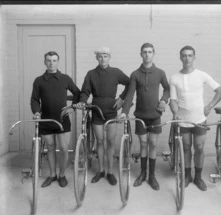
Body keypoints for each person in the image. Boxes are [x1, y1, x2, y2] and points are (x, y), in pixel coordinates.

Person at [169, 45, 221, 191]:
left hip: (199, 119)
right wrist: (175, 112)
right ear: (180, 57)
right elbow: (173, 100)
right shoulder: (174, 77)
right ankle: (187, 175)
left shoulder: (202, 75)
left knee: (199, 147)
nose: (187, 58)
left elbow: (220, 90)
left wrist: (209, 106)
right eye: (184, 55)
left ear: (194, 57)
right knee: (186, 148)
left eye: (190, 55)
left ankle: (198, 177)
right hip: (183, 120)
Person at [118, 43, 170, 191]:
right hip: (140, 115)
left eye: (150, 52)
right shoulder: (135, 74)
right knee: (143, 144)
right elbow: (129, 95)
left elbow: (167, 89)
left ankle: (152, 176)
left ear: (154, 53)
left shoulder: (160, 72)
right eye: (144, 52)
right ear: (141, 54)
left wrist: (163, 100)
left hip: (155, 115)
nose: (147, 54)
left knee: (152, 144)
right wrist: (124, 112)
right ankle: (142, 173)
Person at [75, 47, 130, 186]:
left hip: (111, 109)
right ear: (96, 58)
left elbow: (130, 83)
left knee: (110, 141)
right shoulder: (91, 74)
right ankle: (101, 170)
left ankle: (110, 172)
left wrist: (122, 98)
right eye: (100, 56)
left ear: (109, 57)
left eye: (105, 56)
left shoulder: (115, 72)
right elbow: (85, 91)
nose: (103, 59)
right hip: (97, 109)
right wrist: (82, 101)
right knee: (99, 141)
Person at [31, 51, 80, 188]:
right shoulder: (39, 80)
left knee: (64, 148)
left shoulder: (65, 78)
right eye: (48, 60)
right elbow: (34, 99)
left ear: (58, 62)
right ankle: (52, 175)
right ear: (45, 62)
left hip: (62, 119)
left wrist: (73, 107)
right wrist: (36, 112)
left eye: (54, 60)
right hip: (46, 120)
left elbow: (77, 93)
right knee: (51, 148)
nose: (51, 63)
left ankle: (62, 174)